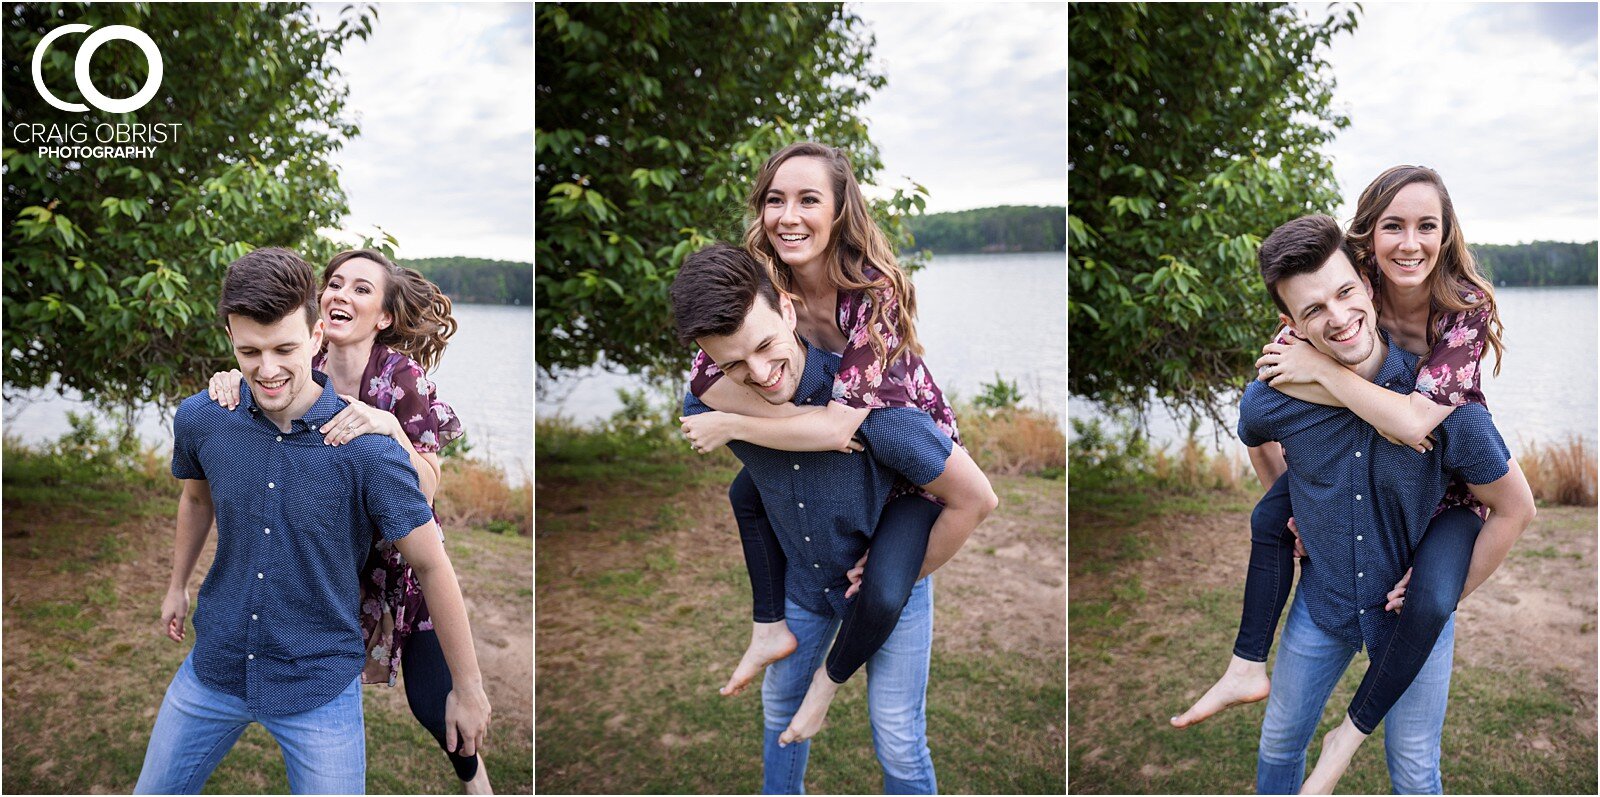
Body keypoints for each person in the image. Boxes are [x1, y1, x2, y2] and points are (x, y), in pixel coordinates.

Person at [1174, 169, 1538, 791]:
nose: (1411, 242)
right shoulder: (1304, 345)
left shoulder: (1457, 355)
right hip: (1327, 595)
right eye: (1393, 226)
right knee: (1278, 739)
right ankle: (1245, 663)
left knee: (1416, 759)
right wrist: (1295, 505)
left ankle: (1351, 732)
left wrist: (1445, 596)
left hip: (1425, 542)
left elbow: (1447, 448)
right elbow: (1258, 423)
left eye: (1428, 226)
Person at [136, 248, 491, 794]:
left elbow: (432, 563)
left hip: (318, 683)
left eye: (285, 348)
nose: (268, 369)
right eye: (248, 351)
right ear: (230, 338)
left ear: (317, 335)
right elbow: (196, 500)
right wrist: (176, 585)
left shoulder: (368, 445)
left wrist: (467, 689)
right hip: (214, 668)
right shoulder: (205, 416)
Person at [675, 142, 991, 748]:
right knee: (749, 492)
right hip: (836, 438)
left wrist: (742, 425)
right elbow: (705, 383)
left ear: (841, 210)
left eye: (808, 199)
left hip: (902, 453)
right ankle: (768, 626)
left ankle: (826, 685)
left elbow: (836, 429)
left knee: (885, 583)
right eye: (774, 200)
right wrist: (777, 413)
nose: (787, 215)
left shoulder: (872, 291)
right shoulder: (758, 282)